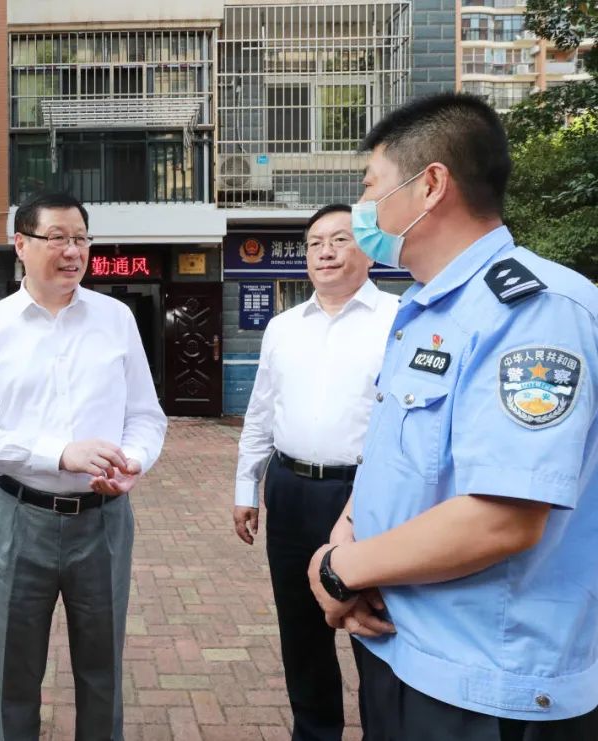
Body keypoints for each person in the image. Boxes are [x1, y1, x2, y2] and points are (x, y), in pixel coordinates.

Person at [307, 93, 598, 739]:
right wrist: (343, 537)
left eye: (371, 186)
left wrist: (338, 569)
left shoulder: (534, 313)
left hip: (487, 681)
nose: (362, 208)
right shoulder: (424, 311)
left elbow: (502, 517)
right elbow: (395, 460)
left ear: (431, 185)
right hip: (401, 645)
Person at [0, 191, 167, 741]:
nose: (72, 251)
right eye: (57, 238)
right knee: (16, 669)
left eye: (81, 239)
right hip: (20, 518)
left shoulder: (116, 319)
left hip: (103, 519)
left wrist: (132, 461)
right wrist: (58, 454)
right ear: (21, 244)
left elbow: (146, 415)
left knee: (103, 668)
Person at [232, 204, 397, 740]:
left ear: (369, 252)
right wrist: (246, 487)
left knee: (374, 626)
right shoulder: (283, 327)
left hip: (367, 494)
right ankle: (314, 731)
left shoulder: (399, 321)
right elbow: (261, 411)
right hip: (290, 489)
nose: (325, 252)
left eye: (340, 239)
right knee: (301, 630)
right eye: (315, 243)